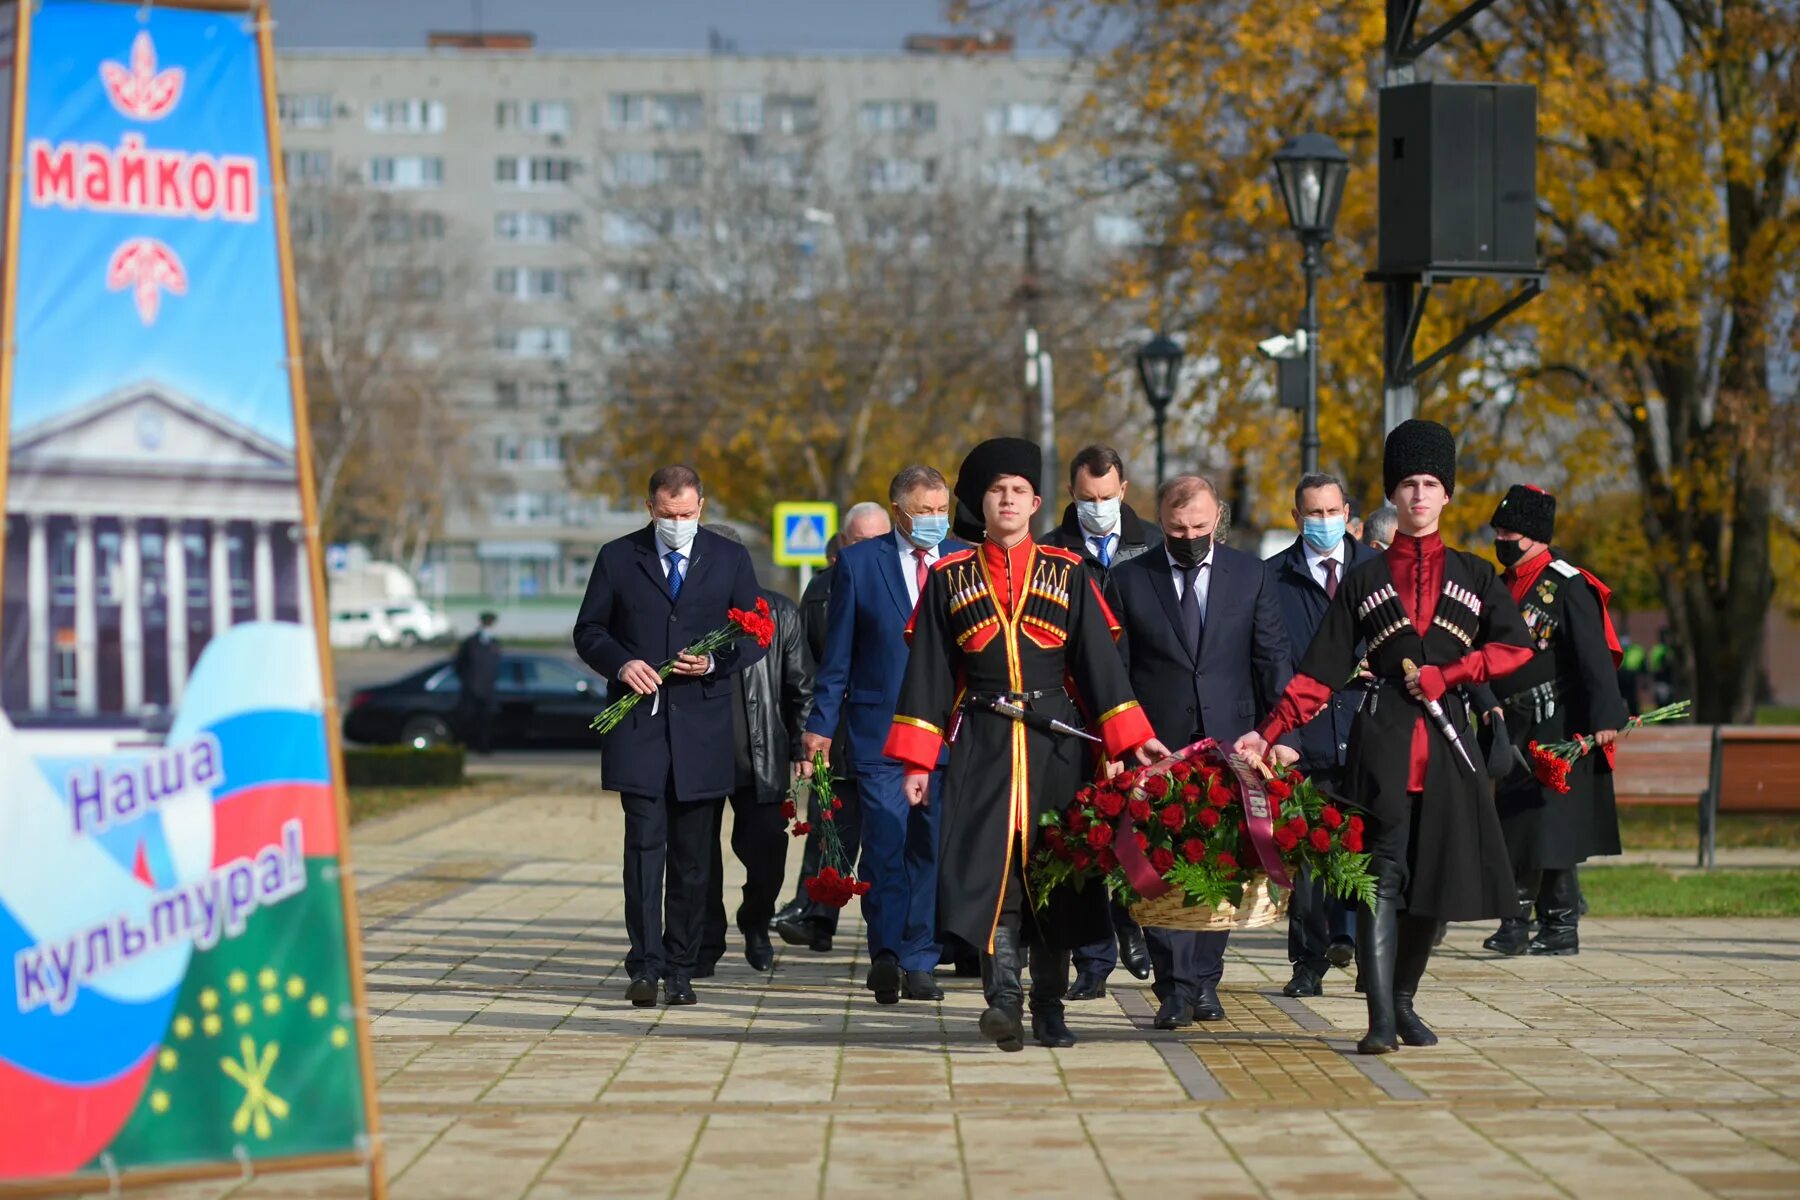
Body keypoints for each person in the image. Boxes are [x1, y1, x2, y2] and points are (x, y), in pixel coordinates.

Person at [1236, 420, 1534, 1055]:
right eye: (1408, 484)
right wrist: (1268, 733)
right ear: (1392, 497)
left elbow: (1516, 649)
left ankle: (1402, 1000)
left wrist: (1452, 672)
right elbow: (1317, 673)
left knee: (1437, 886)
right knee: (1382, 880)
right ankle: (1377, 1018)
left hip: (1451, 748)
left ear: (1447, 495)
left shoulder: (1476, 576)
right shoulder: (1364, 581)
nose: (1420, 495)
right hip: (1385, 746)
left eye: (1430, 484)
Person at [885, 437, 1167, 1051]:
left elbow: (1101, 667)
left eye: (1018, 491)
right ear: (980, 505)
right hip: (984, 746)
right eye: (996, 492)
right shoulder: (947, 578)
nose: (1007, 500)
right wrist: (917, 759)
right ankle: (1003, 1002)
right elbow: (930, 672)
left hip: (1057, 747)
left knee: (1057, 877)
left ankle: (1050, 1009)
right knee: (992, 879)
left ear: (1036, 503)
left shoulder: (1067, 573)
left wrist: (1129, 740)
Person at [572, 465, 766, 1008]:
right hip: (639, 726)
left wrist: (713, 662)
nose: (676, 523)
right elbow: (589, 630)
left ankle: (682, 966)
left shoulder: (729, 558)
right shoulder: (618, 557)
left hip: (702, 730)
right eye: (666, 514)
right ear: (649, 507)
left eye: (685, 514)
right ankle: (645, 964)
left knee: (692, 857)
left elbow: (756, 633)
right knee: (643, 848)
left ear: (701, 506)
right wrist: (621, 663)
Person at [1109, 474, 1294, 1029]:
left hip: (1230, 741)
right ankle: (1172, 987)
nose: (1188, 535)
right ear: (1160, 522)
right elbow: (1117, 668)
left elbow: (1272, 659)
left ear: (1218, 519)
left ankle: (1205, 983)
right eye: (1176, 527)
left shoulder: (1250, 575)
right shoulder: (1129, 580)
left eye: (1199, 526)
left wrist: (1280, 735)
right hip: (1156, 743)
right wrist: (1125, 738)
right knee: (1160, 864)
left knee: (1220, 861)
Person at [801, 468, 969, 1004]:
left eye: (942, 507)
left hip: (949, 732)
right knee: (886, 846)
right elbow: (839, 656)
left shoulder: (964, 558)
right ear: (898, 510)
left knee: (931, 849)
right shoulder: (858, 564)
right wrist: (821, 726)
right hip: (879, 734)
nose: (935, 519)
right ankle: (886, 955)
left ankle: (920, 958)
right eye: (925, 509)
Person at [1479, 485, 1626, 957]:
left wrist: (1606, 717)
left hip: (1558, 722)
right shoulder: (1501, 585)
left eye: (1510, 531)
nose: (1502, 539)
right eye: (1498, 530)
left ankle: (1521, 922)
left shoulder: (1567, 583)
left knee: (1543, 825)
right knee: (1529, 824)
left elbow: (1593, 657)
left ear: (1537, 536)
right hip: (1512, 723)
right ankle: (1557, 926)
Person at [1040, 444, 1160, 996]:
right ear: (1070, 495)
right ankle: (1092, 960)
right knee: (1085, 833)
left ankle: (1135, 926)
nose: (1097, 506)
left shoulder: (1152, 545)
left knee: (1142, 832)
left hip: (1146, 711)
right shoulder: (1050, 552)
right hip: (1077, 715)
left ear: (1124, 491)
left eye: (1107, 497)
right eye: (1087, 499)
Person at [1265, 472, 1379, 997]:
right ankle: (1307, 963)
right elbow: (1269, 661)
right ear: (1296, 518)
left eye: (1332, 512)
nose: (1324, 522)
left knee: (1368, 848)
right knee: (1307, 856)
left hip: (1368, 731)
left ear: (1349, 512)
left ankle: (1362, 952)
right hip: (1303, 738)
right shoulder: (1272, 579)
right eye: (1313, 513)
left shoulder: (1377, 572)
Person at [698, 525, 815, 976]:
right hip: (699, 756)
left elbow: (802, 685)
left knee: (767, 851)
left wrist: (805, 741)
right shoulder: (687, 612)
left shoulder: (779, 611)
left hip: (761, 757)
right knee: (697, 856)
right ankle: (705, 941)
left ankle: (756, 921)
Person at [775, 503, 890, 952]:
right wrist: (808, 734)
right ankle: (816, 915)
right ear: (842, 544)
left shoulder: (916, 580)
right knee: (832, 829)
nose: (868, 549)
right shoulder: (821, 591)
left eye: (876, 539)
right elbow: (808, 669)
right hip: (836, 732)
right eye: (858, 540)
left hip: (896, 734)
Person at [452, 611, 502, 753]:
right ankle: (463, 747)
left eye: (490, 623)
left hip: (487, 691)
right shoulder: (471, 642)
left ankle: (483, 748)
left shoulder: (494, 643)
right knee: (467, 720)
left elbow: (495, 666)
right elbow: (459, 664)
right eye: (487, 623)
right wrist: (467, 681)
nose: (488, 626)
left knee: (486, 722)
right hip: (471, 691)